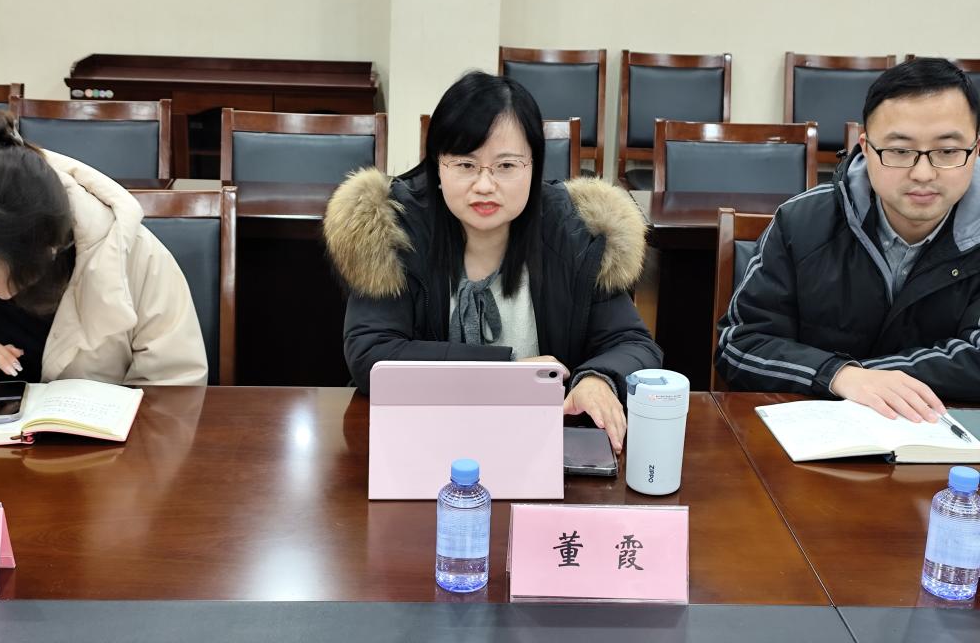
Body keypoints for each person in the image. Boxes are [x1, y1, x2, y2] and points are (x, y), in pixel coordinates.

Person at [324, 71, 662, 453]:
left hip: (538, 445)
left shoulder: (573, 230)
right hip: (422, 442)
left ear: (533, 167)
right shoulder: (394, 228)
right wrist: (505, 372)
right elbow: (372, 353)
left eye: (506, 166)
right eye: (465, 165)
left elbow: (634, 343)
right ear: (438, 166)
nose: (485, 185)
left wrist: (599, 379)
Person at [716, 57, 980, 422]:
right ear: (866, 148)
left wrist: (861, 376)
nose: (923, 173)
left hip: (944, 440)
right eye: (900, 150)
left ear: (976, 149)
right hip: (814, 438)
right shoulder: (801, 223)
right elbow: (741, 346)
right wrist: (840, 376)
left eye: (948, 151)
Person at [0, 111, 208, 386]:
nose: (5, 294)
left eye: (25, 275)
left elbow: (176, 385)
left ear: (53, 245)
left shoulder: (136, 256)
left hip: (107, 415)